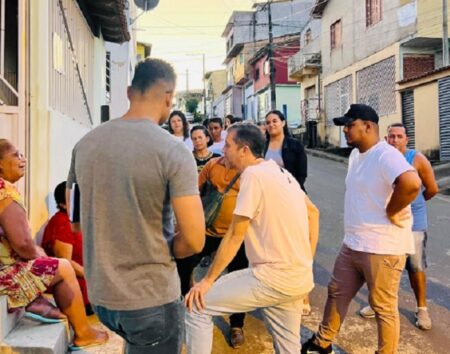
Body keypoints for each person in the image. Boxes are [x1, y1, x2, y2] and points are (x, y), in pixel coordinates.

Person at [67, 58, 205, 354]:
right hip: (150, 298)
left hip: (103, 297)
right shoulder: (173, 151)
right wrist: (166, 248)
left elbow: (76, 223)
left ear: (129, 92)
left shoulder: (84, 145)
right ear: (169, 98)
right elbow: (194, 240)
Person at [185, 124, 320, 354]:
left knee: (196, 306)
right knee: (289, 347)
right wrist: (306, 260)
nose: (223, 150)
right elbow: (313, 213)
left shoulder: (253, 175)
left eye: (228, 145)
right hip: (298, 278)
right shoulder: (280, 172)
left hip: (271, 278)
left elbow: (236, 234)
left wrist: (207, 281)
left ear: (244, 150)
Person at [302, 104, 421, 354]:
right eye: (344, 126)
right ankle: (322, 343)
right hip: (354, 243)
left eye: (349, 125)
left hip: (383, 247)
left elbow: (411, 183)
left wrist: (391, 210)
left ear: (368, 126)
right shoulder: (356, 155)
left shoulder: (385, 154)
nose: (344, 130)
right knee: (336, 292)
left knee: (382, 307)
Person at [0, 139, 107, 350]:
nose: (23, 159)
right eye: (16, 155)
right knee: (62, 267)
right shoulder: (5, 191)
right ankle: (83, 333)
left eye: (22, 154)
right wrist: (39, 254)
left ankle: (36, 299)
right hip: (4, 272)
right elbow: (22, 244)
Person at [359, 123, 439, 330]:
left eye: (399, 136)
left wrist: (413, 204)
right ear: (386, 139)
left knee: (415, 266)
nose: (394, 140)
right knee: (382, 265)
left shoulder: (417, 159)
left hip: (413, 222)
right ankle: (377, 304)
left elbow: (431, 189)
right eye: (391, 136)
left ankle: (422, 309)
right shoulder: (380, 157)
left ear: (406, 139)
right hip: (386, 221)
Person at [179, 154, 248, 349]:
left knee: (238, 280)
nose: (225, 149)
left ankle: (236, 326)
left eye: (229, 145)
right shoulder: (212, 164)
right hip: (206, 231)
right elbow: (193, 190)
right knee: (184, 263)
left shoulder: (247, 171)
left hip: (236, 237)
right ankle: (188, 301)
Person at [41, 181, 93, 316]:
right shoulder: (62, 222)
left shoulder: (74, 220)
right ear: (63, 204)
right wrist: (92, 277)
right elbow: (65, 262)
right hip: (75, 289)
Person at [264, 110, 308, 191]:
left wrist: (292, 189)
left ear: (283, 123)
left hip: (290, 191)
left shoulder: (295, 145)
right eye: (268, 123)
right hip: (267, 191)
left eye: (274, 121)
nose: (271, 125)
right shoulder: (262, 145)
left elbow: (301, 173)